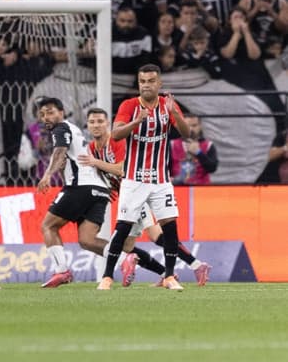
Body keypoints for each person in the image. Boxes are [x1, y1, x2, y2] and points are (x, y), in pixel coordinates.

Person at [77, 108, 211, 287]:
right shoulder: (93, 148)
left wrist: (96, 163)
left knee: (154, 235)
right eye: (92, 122)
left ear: (108, 124)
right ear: (87, 125)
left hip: (139, 189)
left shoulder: (116, 142)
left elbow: (122, 169)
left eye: (100, 121)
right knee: (127, 247)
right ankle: (175, 271)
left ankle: (193, 266)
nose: (96, 125)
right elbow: (106, 174)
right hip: (128, 194)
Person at [98, 64, 191, 291]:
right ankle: (107, 277)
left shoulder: (167, 104)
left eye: (150, 81)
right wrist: (136, 122)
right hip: (134, 179)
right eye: (142, 81)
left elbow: (187, 133)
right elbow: (116, 135)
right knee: (123, 228)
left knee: (170, 227)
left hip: (160, 180)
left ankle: (169, 277)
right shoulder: (129, 105)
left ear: (159, 83)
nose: (146, 85)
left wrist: (174, 113)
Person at [35, 98, 112, 288]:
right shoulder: (73, 129)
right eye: (42, 114)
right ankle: (127, 258)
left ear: (61, 112)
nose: (46, 117)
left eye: (50, 112)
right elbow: (68, 159)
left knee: (48, 226)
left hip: (80, 187)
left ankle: (61, 271)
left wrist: (47, 175)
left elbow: (60, 151)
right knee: (87, 240)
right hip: (100, 190)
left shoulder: (61, 128)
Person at [170, 114, 218, 185]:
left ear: (200, 126)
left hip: (202, 188)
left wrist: (199, 153)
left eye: (194, 125)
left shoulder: (208, 145)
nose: (191, 129)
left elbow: (212, 168)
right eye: (187, 126)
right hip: (178, 188)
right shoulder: (172, 144)